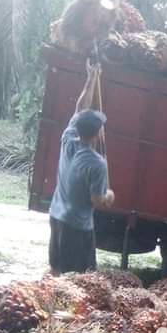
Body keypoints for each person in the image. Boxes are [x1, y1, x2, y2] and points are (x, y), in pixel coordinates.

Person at [49, 59, 114, 276]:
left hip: (57, 217)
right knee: (78, 278)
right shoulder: (97, 164)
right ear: (97, 134)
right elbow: (97, 201)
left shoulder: (68, 138)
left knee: (56, 270)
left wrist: (91, 77)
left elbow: (80, 107)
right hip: (76, 227)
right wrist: (109, 196)